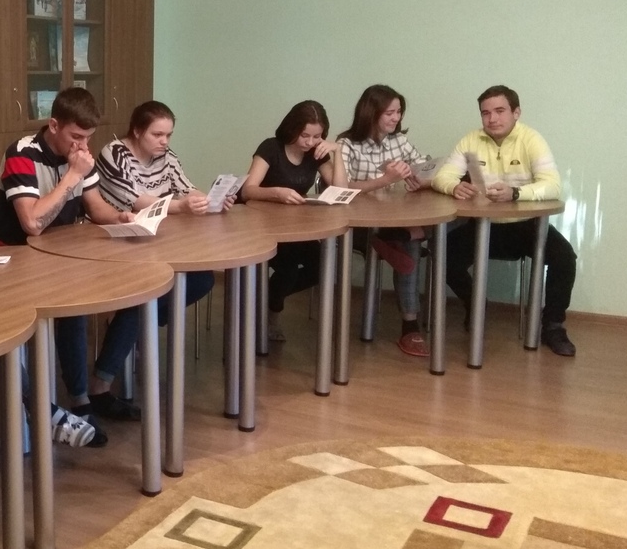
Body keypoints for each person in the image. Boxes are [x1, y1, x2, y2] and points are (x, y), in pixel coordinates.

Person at [0, 87, 135, 447]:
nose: (82, 145)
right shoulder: (21, 154)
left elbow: (96, 208)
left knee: (104, 298)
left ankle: (84, 399)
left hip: (60, 259)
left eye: (88, 137)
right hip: (15, 263)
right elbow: (32, 223)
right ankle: (61, 405)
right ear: (53, 125)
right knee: (70, 305)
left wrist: (121, 217)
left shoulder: (80, 155)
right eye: (76, 136)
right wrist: (71, 176)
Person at [431, 85, 577, 356]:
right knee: (440, 253)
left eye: (500, 111)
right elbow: (442, 176)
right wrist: (453, 187)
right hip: (481, 225)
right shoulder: (471, 140)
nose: (492, 119)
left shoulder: (531, 139)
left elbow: (553, 186)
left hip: (526, 227)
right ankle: (476, 304)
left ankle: (553, 325)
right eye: (486, 113)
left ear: (516, 112)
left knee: (565, 258)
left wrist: (516, 193)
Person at [93, 101, 218, 417]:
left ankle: (135, 328)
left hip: (157, 242)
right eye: (158, 134)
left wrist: (208, 200)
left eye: (168, 135)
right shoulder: (114, 153)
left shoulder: (166, 157)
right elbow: (135, 200)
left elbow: (186, 188)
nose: (164, 141)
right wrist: (181, 207)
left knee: (203, 279)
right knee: (142, 302)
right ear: (137, 131)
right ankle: (100, 384)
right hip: (116, 243)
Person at [337, 85, 431, 357]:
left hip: (394, 220)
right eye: (389, 113)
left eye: (399, 112)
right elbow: (341, 187)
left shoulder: (398, 141)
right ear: (371, 112)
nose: (395, 118)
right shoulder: (346, 144)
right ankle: (410, 326)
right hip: (358, 224)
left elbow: (424, 166)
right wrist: (385, 180)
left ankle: (399, 237)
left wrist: (419, 178)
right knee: (411, 243)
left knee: (433, 228)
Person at [241, 100, 347, 342]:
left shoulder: (315, 153)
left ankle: (267, 300)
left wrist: (337, 152)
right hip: (262, 227)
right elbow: (248, 190)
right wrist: (276, 193)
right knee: (288, 269)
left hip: (295, 227)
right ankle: (270, 311)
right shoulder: (271, 148)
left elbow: (341, 191)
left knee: (323, 265)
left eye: (317, 136)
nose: (310, 142)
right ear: (292, 129)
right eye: (305, 135)